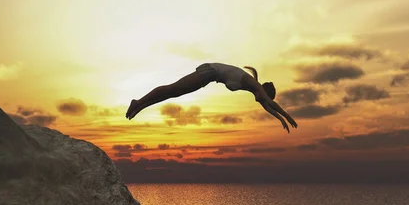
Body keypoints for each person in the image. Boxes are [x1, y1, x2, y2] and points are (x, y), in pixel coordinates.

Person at [125, 63, 298, 133]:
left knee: (173, 92)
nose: (262, 102)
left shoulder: (253, 88)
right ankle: (138, 102)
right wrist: (286, 118)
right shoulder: (255, 85)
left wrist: (279, 119)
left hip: (209, 75)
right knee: (173, 89)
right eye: (264, 98)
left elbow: (267, 106)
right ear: (265, 92)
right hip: (209, 72)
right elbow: (270, 104)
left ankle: (139, 106)